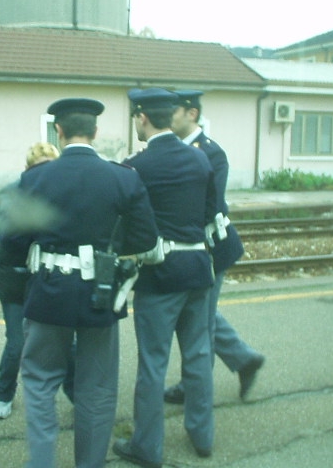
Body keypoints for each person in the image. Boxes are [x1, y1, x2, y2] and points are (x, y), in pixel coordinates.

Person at [1, 98, 162, 468]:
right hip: (100, 296)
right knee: (98, 389)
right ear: (96, 132)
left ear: (58, 130)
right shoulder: (123, 177)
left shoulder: (35, 178)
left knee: (40, 382)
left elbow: (10, 247)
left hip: (48, 294)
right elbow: (145, 240)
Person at [112, 88, 217, 466]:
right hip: (198, 270)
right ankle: (203, 436)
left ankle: (147, 447)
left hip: (159, 278)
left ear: (142, 118)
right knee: (199, 355)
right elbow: (210, 214)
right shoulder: (200, 159)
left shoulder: (136, 166)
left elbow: (125, 226)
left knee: (153, 366)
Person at [165, 90, 265, 404]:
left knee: (200, 323)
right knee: (200, 315)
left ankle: (195, 391)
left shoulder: (211, 152)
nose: (169, 116)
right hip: (191, 250)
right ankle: (244, 358)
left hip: (210, 250)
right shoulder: (173, 148)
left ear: (191, 113)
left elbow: (212, 207)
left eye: (175, 110)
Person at [0, 142, 75, 420]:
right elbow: (9, 239)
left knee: (65, 343)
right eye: (39, 168)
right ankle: (4, 393)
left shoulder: (62, 194)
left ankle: (76, 395)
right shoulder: (12, 193)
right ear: (27, 170)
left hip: (47, 279)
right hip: (15, 281)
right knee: (17, 343)